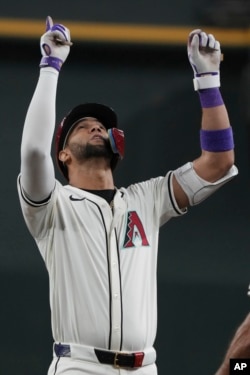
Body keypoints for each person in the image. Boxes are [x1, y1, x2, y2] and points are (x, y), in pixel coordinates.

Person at [17, 15, 238, 375]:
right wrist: (51, 66)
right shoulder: (52, 206)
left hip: (145, 367)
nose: (95, 125)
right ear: (63, 155)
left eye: (101, 124)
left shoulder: (146, 199)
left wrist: (209, 80)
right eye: (80, 126)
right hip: (80, 366)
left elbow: (218, 161)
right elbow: (33, 153)